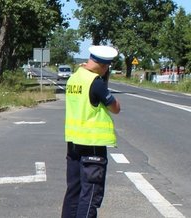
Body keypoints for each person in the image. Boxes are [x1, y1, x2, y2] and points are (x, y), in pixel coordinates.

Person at [62, 45, 120, 218]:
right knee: (90, 196)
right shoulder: (95, 82)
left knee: (73, 192)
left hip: (73, 143)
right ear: (104, 66)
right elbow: (115, 108)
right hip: (92, 145)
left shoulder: (73, 78)